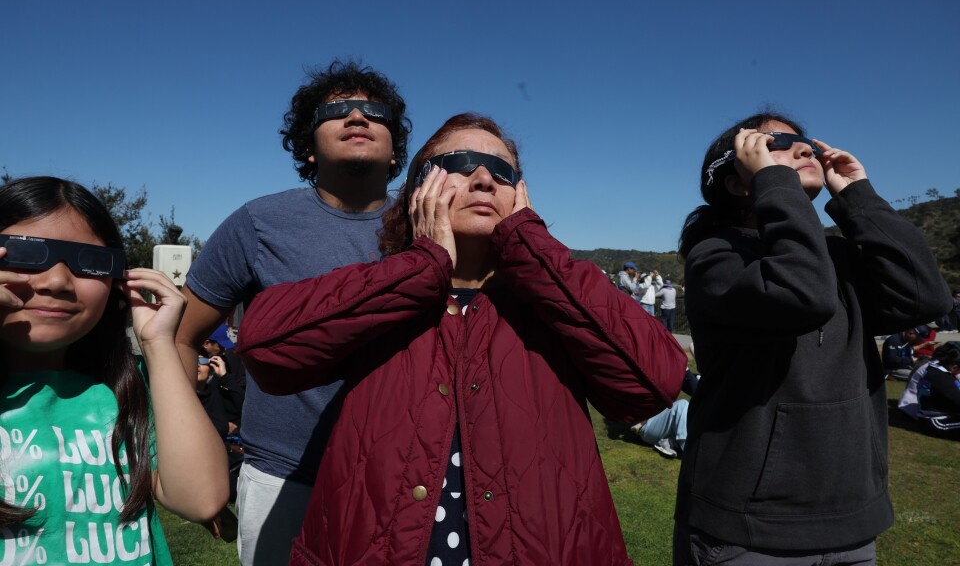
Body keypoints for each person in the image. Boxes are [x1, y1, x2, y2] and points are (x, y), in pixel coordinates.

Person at [236, 113, 688, 565]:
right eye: (460, 162)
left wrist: (532, 246)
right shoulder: (381, 290)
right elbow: (264, 347)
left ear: (520, 196)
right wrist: (421, 267)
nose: (485, 178)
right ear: (418, 191)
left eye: (504, 171)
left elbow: (654, 381)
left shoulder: (555, 302)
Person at [673, 112, 952, 565]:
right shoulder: (717, 257)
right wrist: (777, 185)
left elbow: (924, 297)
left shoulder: (837, 255)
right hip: (751, 528)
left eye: (809, 144)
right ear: (738, 180)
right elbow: (802, 294)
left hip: (853, 521)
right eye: (779, 142)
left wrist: (859, 198)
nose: (808, 149)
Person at [174, 59, 412, 564]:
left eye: (374, 111)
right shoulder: (258, 223)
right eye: (337, 110)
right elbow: (180, 337)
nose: (357, 117)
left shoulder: (429, 228)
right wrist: (196, 457)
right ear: (307, 146)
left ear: (396, 153)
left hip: (407, 478)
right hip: (282, 479)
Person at [0, 176, 228, 564]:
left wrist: (159, 342)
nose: (57, 281)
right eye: (27, 253)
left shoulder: (129, 386)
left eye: (90, 262)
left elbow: (201, 499)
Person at [916, 343, 960, 438]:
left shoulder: (935, 371)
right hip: (935, 421)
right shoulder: (940, 377)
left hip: (946, 415)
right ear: (954, 367)